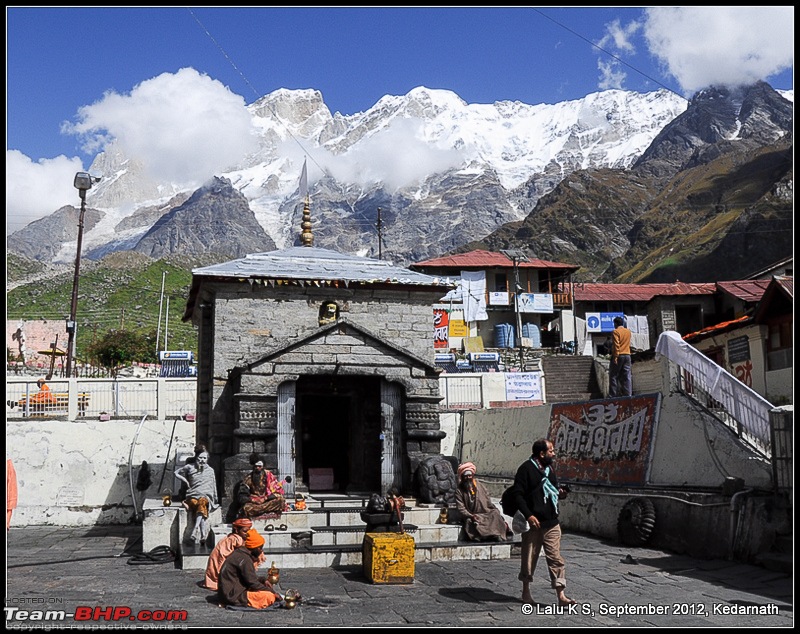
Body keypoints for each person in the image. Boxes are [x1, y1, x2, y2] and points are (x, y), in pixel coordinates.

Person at [512, 439, 576, 606]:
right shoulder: (526, 469)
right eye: (551, 451)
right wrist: (529, 516)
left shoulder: (550, 470)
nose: (553, 454)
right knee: (529, 558)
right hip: (534, 523)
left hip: (551, 523)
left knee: (555, 558)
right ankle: (526, 592)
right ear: (541, 454)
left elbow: (553, 490)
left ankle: (561, 596)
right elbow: (517, 495)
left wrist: (561, 493)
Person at [217, 529, 281, 609]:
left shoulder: (240, 554)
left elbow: (248, 577)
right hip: (232, 596)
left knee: (263, 589)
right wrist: (272, 592)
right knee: (269, 597)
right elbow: (252, 583)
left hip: (228, 592)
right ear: (255, 548)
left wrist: (263, 580)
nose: (261, 551)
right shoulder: (245, 559)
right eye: (260, 548)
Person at [454, 461, 512, 542]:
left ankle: (496, 534)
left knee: (495, 514)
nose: (468, 478)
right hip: (472, 515)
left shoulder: (480, 486)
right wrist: (471, 515)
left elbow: (488, 500)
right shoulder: (459, 491)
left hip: (485, 512)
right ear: (462, 477)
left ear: (472, 476)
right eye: (465, 476)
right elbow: (461, 508)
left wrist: (493, 508)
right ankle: (485, 536)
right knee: (470, 522)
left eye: (470, 475)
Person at [203, 518, 266, 590]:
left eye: (249, 530)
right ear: (236, 530)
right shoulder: (234, 539)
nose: (248, 533)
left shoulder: (240, 538)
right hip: (221, 572)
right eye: (245, 531)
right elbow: (226, 559)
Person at [175, 445, 218, 544]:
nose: (202, 460)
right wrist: (185, 481)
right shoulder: (189, 467)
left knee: (202, 501)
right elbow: (176, 472)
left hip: (206, 497)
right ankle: (202, 534)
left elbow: (213, 485)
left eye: (204, 458)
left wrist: (214, 498)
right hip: (192, 496)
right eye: (200, 458)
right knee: (200, 505)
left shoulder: (210, 471)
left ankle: (194, 531)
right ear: (196, 457)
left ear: (207, 459)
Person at [609, 316, 632, 396]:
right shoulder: (628, 331)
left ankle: (613, 395)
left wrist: (615, 357)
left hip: (619, 355)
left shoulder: (615, 332)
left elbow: (616, 345)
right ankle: (628, 394)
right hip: (627, 354)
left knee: (613, 375)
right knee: (627, 375)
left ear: (615, 323)